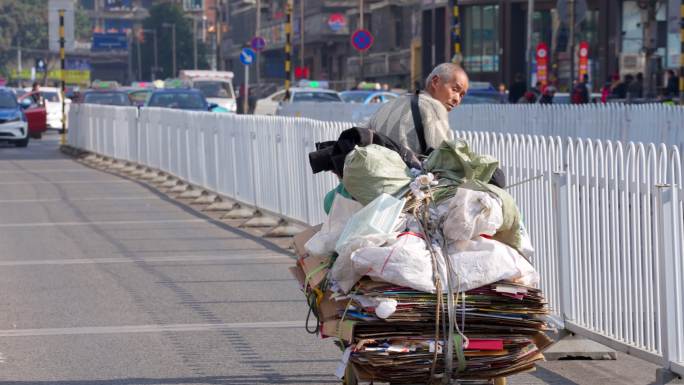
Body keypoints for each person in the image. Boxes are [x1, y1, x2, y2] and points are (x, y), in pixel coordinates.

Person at [364, 62, 468, 155]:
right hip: (403, 175)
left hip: (371, 172)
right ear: (435, 82)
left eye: (461, 95)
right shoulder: (434, 107)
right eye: (455, 89)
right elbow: (444, 159)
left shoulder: (389, 104)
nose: (457, 99)